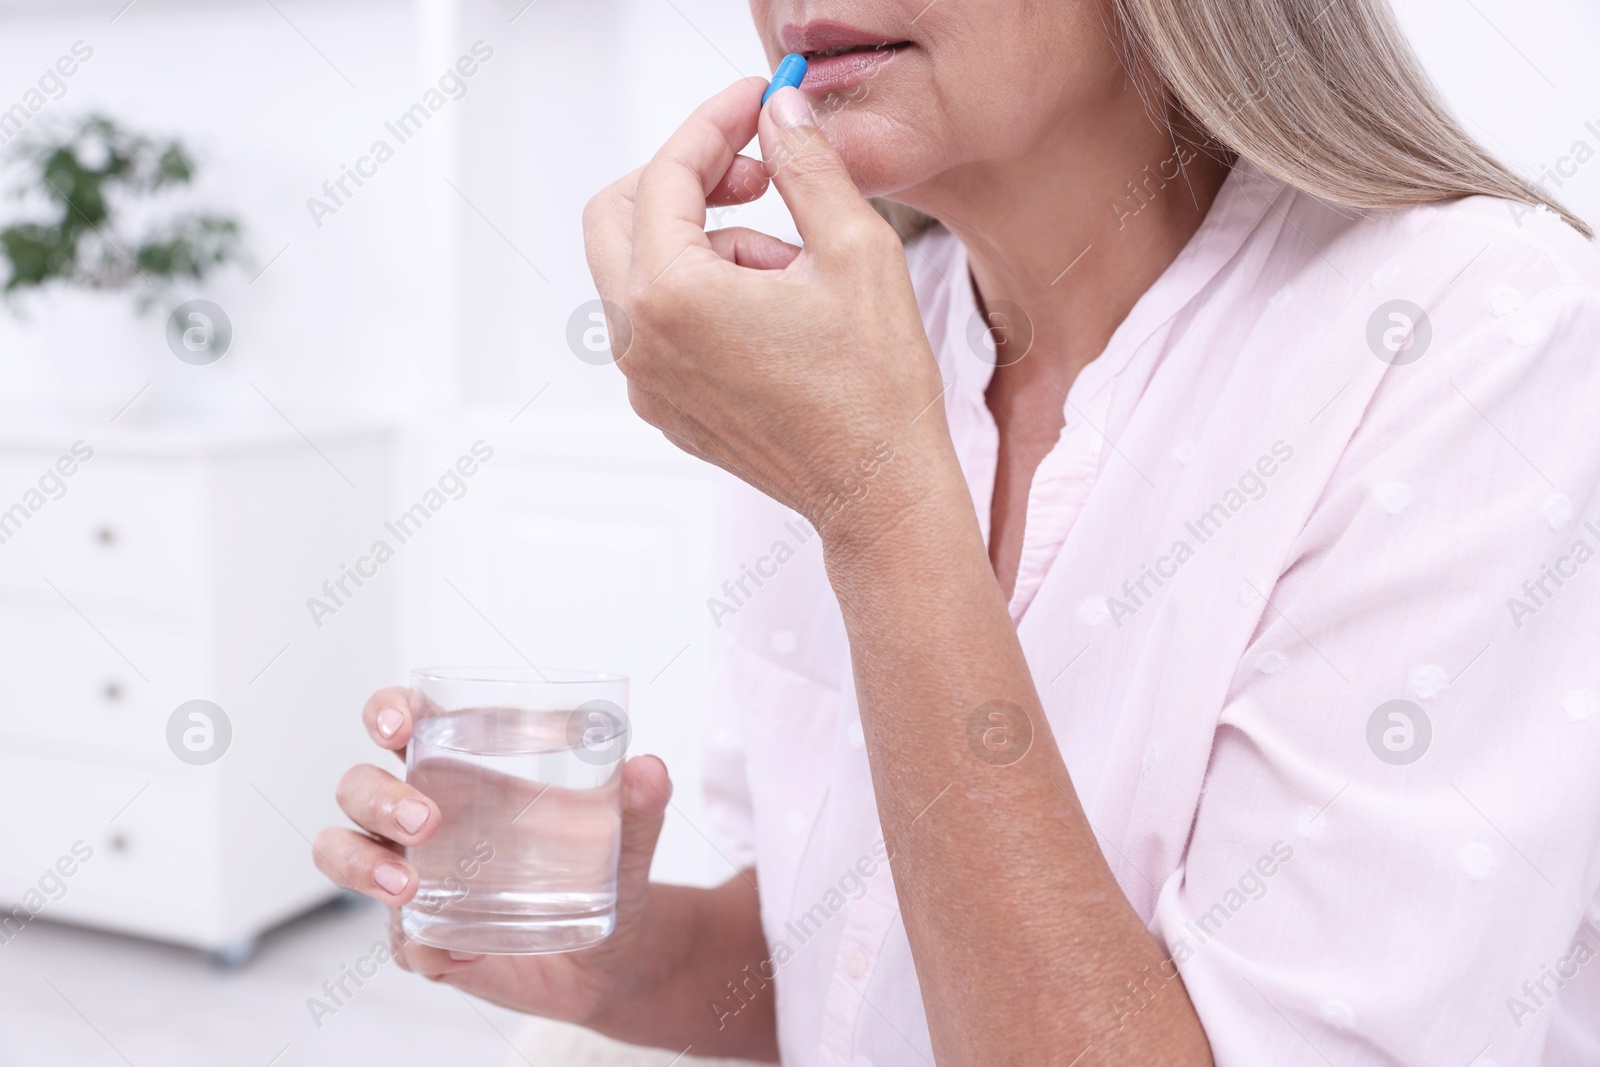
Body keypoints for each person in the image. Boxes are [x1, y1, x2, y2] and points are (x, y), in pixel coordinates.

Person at [316, 1, 1600, 1062]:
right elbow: (855, 958)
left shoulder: (1483, 336)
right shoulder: (843, 340)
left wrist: (876, 502)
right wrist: (624, 957)